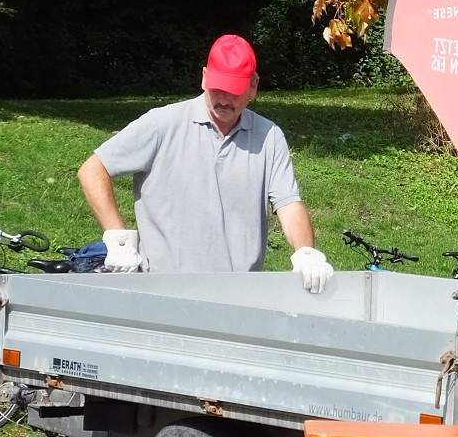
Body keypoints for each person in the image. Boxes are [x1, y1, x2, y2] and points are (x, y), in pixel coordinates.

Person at [77, 34, 334, 293]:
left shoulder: (268, 137)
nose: (223, 99)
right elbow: (93, 170)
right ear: (204, 78)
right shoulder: (162, 124)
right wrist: (118, 241)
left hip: (240, 294)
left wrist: (306, 252)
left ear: (254, 86)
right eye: (217, 88)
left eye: (233, 91)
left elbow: (288, 204)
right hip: (163, 291)